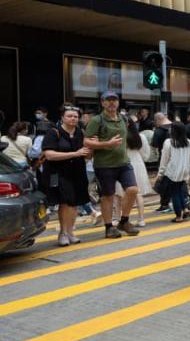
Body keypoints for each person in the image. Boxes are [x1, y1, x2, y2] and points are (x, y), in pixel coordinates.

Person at [84, 92, 140, 239]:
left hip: (123, 162)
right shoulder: (97, 120)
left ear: (118, 102)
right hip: (104, 165)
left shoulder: (123, 118)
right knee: (107, 196)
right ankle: (109, 227)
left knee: (133, 189)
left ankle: (124, 221)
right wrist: (106, 144)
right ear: (102, 103)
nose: (111, 103)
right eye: (108, 100)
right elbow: (87, 142)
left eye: (114, 100)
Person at [42, 105, 92, 246]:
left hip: (78, 171)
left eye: (75, 116)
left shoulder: (80, 133)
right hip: (60, 173)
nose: (73, 118)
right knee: (65, 203)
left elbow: (86, 154)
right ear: (62, 117)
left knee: (74, 203)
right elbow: (49, 155)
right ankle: (62, 233)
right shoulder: (53, 132)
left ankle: (70, 232)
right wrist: (75, 154)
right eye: (70, 116)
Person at [159, 122, 190, 223]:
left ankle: (179, 216)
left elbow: (164, 159)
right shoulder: (189, 142)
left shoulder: (169, 142)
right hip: (184, 170)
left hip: (172, 172)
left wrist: (160, 173)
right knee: (180, 191)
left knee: (175, 193)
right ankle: (185, 209)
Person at [119, 118, 151, 227]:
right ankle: (141, 219)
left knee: (119, 193)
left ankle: (119, 218)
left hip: (122, 163)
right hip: (138, 163)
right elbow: (146, 153)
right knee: (138, 193)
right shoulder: (140, 136)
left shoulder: (119, 136)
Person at [151, 112, 173, 212]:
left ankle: (164, 204)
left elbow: (154, 145)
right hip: (177, 157)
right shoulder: (176, 126)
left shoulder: (158, 130)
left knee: (162, 180)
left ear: (158, 120)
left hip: (164, 157)